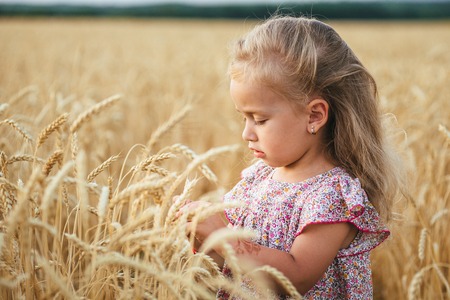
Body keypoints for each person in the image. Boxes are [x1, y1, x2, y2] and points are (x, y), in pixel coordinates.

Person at [178, 15, 405, 299]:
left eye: (259, 120)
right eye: (244, 118)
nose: (247, 133)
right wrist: (204, 235)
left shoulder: (332, 196)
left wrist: (226, 240)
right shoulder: (258, 179)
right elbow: (241, 268)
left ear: (314, 115)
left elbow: (295, 277)